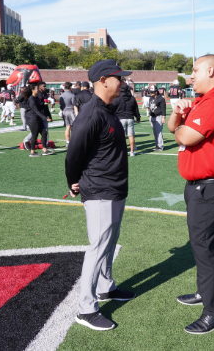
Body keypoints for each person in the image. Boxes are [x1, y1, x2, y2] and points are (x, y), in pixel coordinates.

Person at [166, 54, 214, 335]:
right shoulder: (204, 100)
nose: (190, 76)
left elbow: (183, 138)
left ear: (211, 70)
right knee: (203, 245)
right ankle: (204, 292)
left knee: (204, 247)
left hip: (211, 186)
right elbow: (175, 128)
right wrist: (177, 113)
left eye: (194, 71)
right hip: (201, 185)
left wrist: (182, 126)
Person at [65, 59, 134, 332]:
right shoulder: (91, 113)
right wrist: (73, 182)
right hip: (100, 191)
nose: (124, 82)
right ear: (104, 80)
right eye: (119, 78)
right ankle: (86, 308)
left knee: (109, 243)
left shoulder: (107, 109)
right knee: (97, 248)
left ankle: (106, 287)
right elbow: (73, 155)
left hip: (115, 188)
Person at [25, 84, 54, 157]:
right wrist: (45, 118)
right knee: (35, 135)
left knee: (44, 132)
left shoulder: (36, 98)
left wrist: (46, 104)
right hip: (32, 119)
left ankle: (45, 150)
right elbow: (36, 111)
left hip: (37, 118)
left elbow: (41, 107)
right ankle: (32, 152)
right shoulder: (31, 99)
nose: (38, 90)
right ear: (33, 90)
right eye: (36, 89)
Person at [115, 82, 141, 156]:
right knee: (131, 135)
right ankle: (132, 152)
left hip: (120, 119)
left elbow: (112, 107)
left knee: (121, 136)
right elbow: (136, 109)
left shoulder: (117, 97)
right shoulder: (132, 98)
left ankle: (121, 151)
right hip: (130, 118)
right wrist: (138, 118)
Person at [148, 85, 166, 151]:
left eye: (152, 92)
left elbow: (163, 108)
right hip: (152, 117)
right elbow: (150, 107)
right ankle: (157, 145)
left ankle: (160, 146)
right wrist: (150, 116)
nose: (150, 93)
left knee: (159, 132)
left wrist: (163, 117)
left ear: (156, 92)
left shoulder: (161, 98)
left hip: (159, 117)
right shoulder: (150, 98)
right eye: (150, 92)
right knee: (155, 132)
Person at [59, 82, 77, 147]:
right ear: (70, 87)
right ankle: (73, 141)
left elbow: (60, 105)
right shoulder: (72, 95)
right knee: (74, 126)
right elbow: (74, 104)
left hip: (64, 111)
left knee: (67, 126)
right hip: (71, 111)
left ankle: (67, 142)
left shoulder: (61, 95)